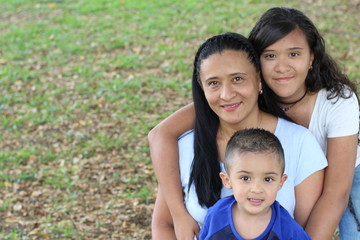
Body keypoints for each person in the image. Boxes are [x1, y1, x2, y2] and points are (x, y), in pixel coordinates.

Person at [149, 7, 359, 240]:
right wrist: (179, 215)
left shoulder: (304, 140)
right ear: (201, 87)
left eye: (238, 79)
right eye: (213, 83)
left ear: (258, 80)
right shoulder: (185, 145)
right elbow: (164, 224)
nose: (227, 94)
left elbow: (316, 217)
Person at [199, 128, 311, 240]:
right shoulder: (216, 216)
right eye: (245, 178)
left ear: (281, 182)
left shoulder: (287, 229)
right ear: (227, 180)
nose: (256, 189)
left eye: (268, 179)